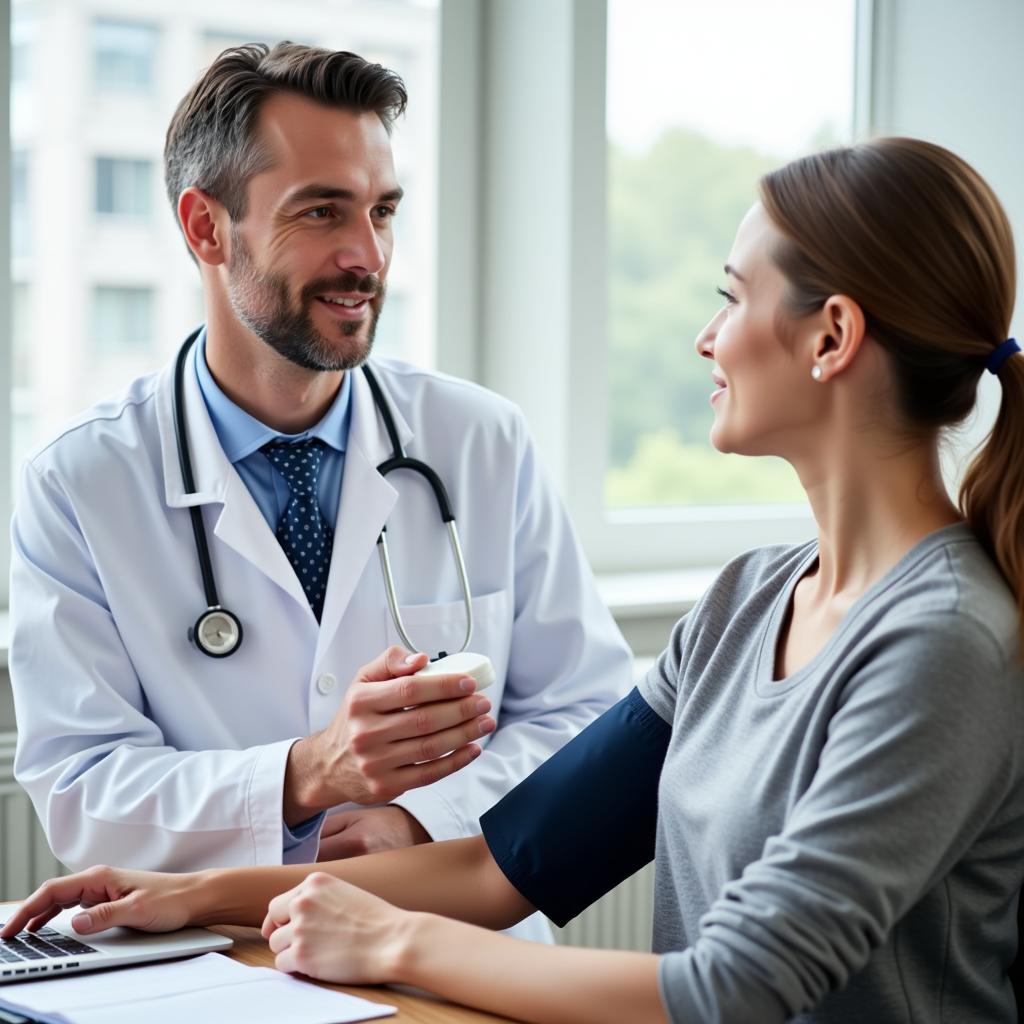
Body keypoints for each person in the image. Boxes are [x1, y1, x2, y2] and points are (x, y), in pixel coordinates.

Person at [7, 136, 1024, 1023]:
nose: (706, 337)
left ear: (831, 336)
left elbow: (730, 990)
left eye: (731, 297)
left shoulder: (941, 642)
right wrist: (191, 894)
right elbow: (512, 860)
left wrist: (391, 942)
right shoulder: (748, 600)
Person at [7, 43, 631, 945]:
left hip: (448, 946)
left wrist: (426, 821)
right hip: (219, 961)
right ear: (206, 228)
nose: (367, 255)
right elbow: (81, 788)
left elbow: (589, 715)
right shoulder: (81, 481)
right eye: (321, 212)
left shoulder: (478, 440)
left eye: (382, 211)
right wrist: (307, 774)